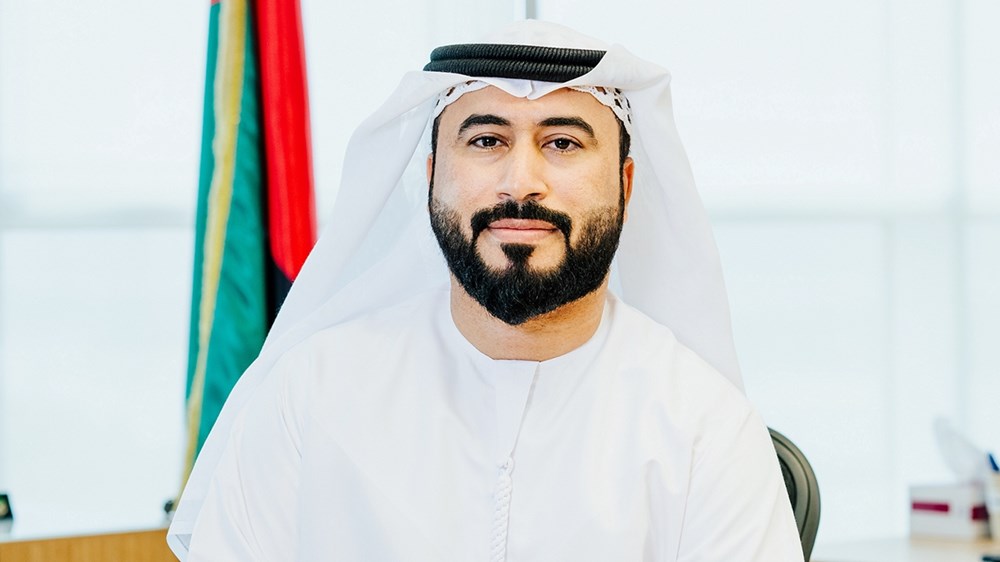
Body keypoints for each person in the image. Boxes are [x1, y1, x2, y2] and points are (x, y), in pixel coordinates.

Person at [168, 20, 803, 561]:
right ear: (431, 177)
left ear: (626, 184)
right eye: (486, 140)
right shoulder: (308, 393)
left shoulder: (706, 427)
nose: (520, 182)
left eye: (562, 142)